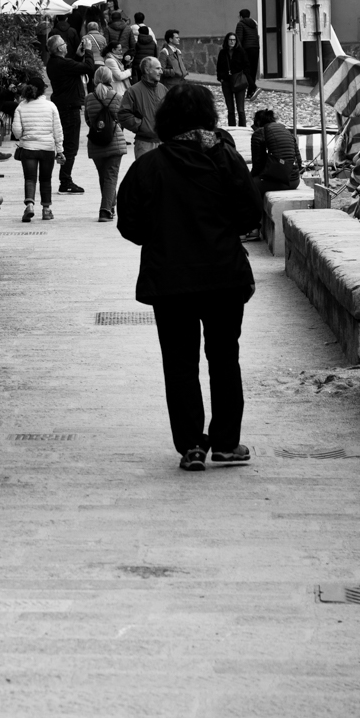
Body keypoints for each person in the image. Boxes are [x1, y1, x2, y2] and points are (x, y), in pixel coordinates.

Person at [115, 79, 262, 471]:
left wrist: (161, 236)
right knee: (224, 358)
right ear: (208, 117)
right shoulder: (225, 159)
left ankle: (191, 446)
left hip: (170, 281)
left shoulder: (148, 167)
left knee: (179, 363)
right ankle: (226, 443)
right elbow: (250, 213)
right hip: (224, 276)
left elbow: (129, 225)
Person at [10, 75, 64, 221]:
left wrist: (24, 136)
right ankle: (46, 210)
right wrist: (60, 150)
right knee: (46, 179)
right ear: (43, 90)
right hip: (47, 148)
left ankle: (29, 206)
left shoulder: (21, 107)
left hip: (28, 149)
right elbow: (58, 130)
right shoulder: (51, 106)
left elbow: (17, 132)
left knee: (30, 178)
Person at [85, 64, 128, 220]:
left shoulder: (89, 98)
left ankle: (111, 205)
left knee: (104, 176)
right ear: (110, 79)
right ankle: (105, 210)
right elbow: (122, 119)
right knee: (111, 176)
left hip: (96, 141)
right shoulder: (117, 97)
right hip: (114, 141)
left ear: (95, 79)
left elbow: (89, 121)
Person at [45, 35, 88, 194]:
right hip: (70, 108)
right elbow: (88, 68)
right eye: (64, 43)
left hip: (63, 106)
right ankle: (65, 181)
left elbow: (73, 68)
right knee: (71, 146)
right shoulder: (62, 64)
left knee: (66, 144)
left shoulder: (54, 63)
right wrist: (89, 52)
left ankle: (64, 179)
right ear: (59, 48)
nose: (66, 45)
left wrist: (78, 56)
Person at [119, 55, 165, 157]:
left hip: (163, 143)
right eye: (158, 68)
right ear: (147, 70)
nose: (161, 72)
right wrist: (141, 126)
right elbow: (123, 115)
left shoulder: (162, 89)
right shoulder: (132, 91)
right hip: (144, 144)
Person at [250, 109, 302, 191]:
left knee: (248, 184)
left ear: (258, 122)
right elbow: (299, 160)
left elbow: (257, 163)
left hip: (277, 182)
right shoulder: (286, 131)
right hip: (295, 181)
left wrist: (250, 177)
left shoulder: (259, 133)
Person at [216, 32, 248, 125]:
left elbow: (246, 65)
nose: (232, 42)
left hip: (238, 81)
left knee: (240, 109)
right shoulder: (223, 52)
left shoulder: (241, 52)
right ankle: (231, 128)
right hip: (226, 82)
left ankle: (242, 128)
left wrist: (244, 76)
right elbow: (219, 67)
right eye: (230, 40)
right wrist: (221, 78)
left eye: (234, 40)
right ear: (227, 41)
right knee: (230, 109)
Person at [234, 8, 260, 98]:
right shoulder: (254, 24)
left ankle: (253, 87)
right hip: (255, 48)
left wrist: (237, 51)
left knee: (245, 70)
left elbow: (239, 39)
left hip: (246, 49)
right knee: (253, 70)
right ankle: (250, 92)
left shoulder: (240, 24)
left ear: (241, 16)